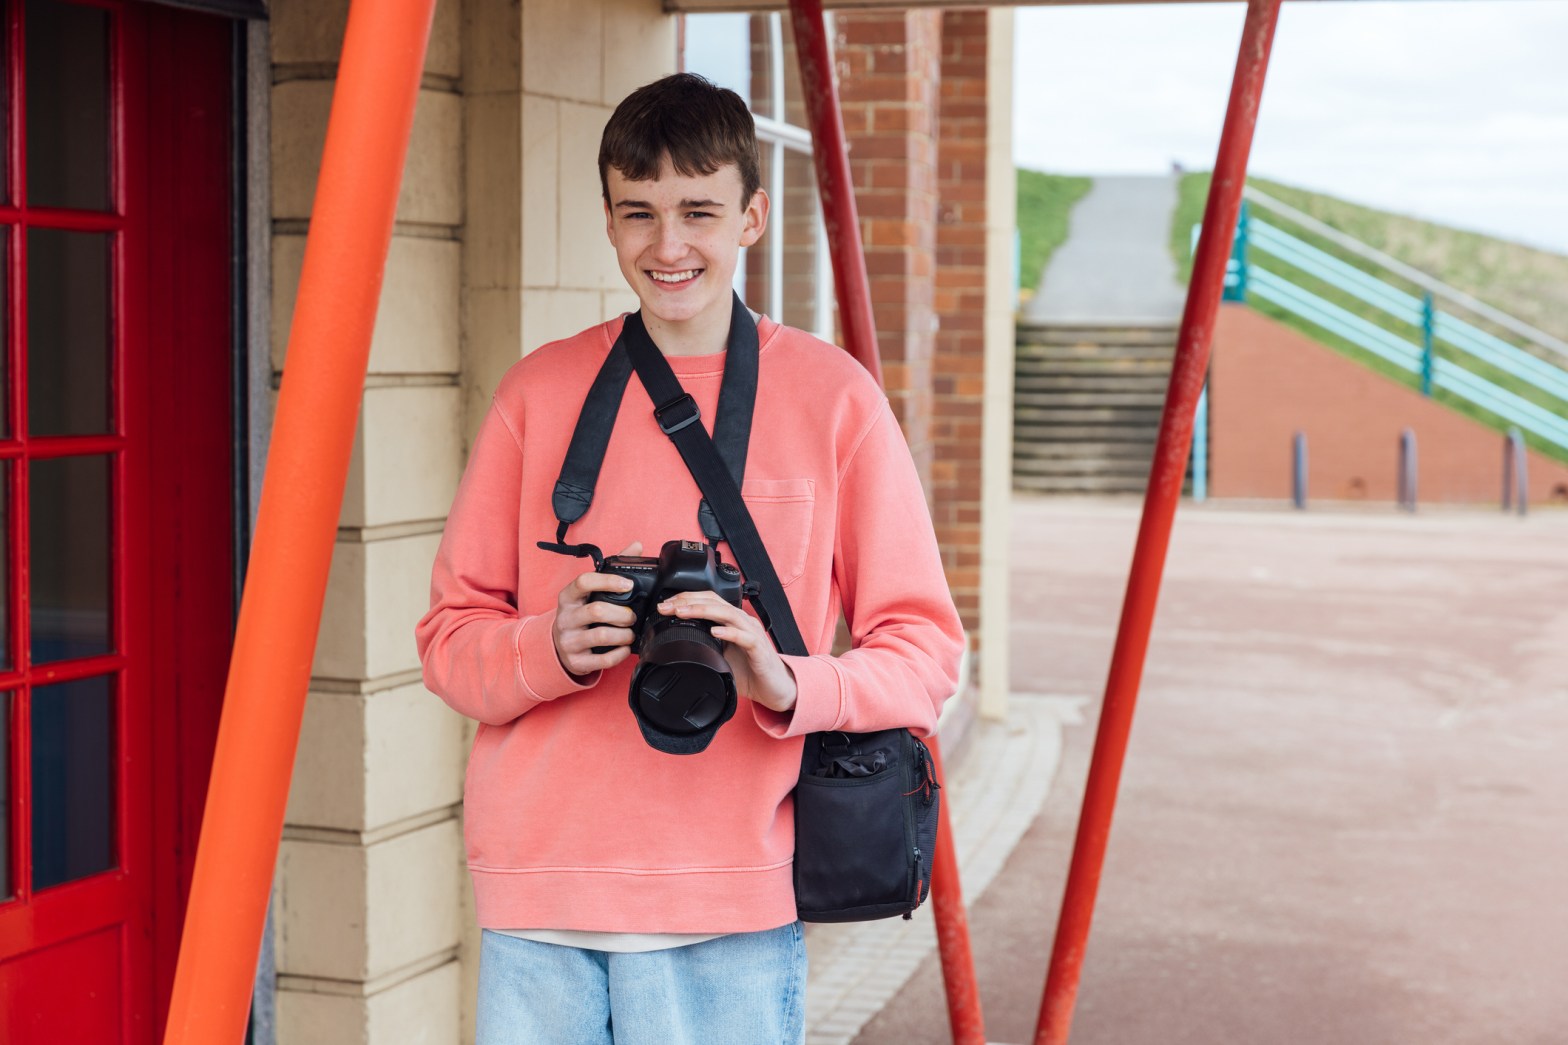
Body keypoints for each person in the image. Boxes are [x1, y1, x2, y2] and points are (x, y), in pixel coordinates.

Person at [415, 72, 963, 1044]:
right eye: (639, 214)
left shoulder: (832, 398)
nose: (667, 247)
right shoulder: (537, 393)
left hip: (732, 909)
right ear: (608, 220)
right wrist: (549, 645)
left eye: (697, 211)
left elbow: (926, 652)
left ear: (752, 216)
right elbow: (448, 640)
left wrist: (783, 678)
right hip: (539, 902)